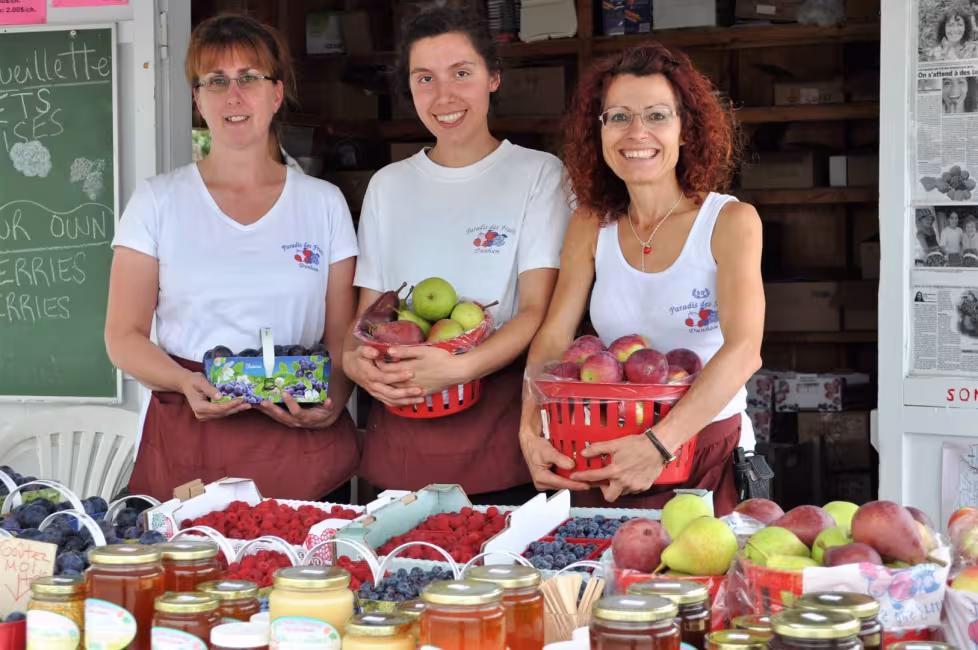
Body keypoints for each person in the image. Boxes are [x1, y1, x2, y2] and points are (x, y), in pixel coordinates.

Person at [105, 14, 360, 501]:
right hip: (191, 437)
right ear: (197, 99)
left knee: (303, 578)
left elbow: (340, 339)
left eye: (249, 78)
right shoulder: (157, 201)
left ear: (277, 93)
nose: (233, 96)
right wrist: (184, 381)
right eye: (216, 81)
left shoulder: (323, 203)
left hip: (297, 437)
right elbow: (122, 336)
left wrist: (336, 399)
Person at [517, 43, 764, 515]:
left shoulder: (730, 222)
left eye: (656, 115)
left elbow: (743, 351)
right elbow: (553, 335)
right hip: (605, 447)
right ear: (600, 130)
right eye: (618, 117)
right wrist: (530, 427)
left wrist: (657, 444)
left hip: (703, 447)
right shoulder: (591, 224)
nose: (637, 133)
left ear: (685, 129)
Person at [343, 6, 571, 505]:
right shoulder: (388, 185)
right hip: (401, 432)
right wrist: (356, 364)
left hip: (499, 429)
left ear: (493, 77)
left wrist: (462, 368)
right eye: (425, 78)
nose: (443, 96)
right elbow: (369, 317)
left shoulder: (538, 174)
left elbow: (538, 309)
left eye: (461, 74)